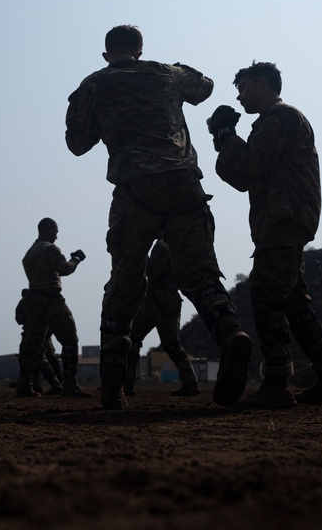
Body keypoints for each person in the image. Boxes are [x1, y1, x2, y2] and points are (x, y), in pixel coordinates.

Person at [65, 25, 252, 410]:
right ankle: (231, 332)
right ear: (140, 50)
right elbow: (207, 88)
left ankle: (113, 388)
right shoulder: (167, 72)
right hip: (185, 184)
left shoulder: (94, 84)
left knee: (126, 282)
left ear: (106, 55)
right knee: (200, 272)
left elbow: (76, 145)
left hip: (136, 189)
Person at [210, 61, 322, 408]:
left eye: (242, 88)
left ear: (261, 83)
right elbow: (243, 178)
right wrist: (224, 139)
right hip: (280, 219)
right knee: (292, 300)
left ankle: (276, 381)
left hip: (284, 217)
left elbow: (251, 165)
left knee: (265, 290)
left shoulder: (280, 118)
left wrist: (228, 137)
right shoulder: (269, 123)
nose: (239, 97)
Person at [15, 218, 93, 398]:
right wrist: (76, 259)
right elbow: (64, 269)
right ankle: (70, 384)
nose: (57, 236)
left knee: (31, 346)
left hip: (33, 301)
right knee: (70, 339)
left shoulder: (29, 254)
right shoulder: (50, 249)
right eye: (56, 231)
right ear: (48, 229)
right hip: (51, 299)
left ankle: (24, 384)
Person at [125, 239, 200, 398]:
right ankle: (190, 381)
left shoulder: (162, 245)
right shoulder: (179, 246)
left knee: (133, 338)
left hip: (156, 298)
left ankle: (128, 383)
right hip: (172, 298)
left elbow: (152, 271)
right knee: (172, 344)